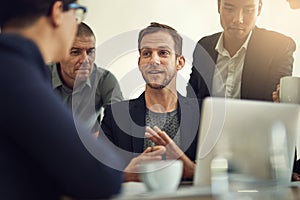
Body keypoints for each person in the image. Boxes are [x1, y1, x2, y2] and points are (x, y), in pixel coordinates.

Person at [0, 0, 122, 199]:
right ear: (57, 12)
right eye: (77, 14)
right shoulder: (14, 73)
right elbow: (102, 176)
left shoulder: (14, 67)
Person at [100, 22, 201, 181]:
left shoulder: (203, 112)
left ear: (179, 62)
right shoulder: (116, 115)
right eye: (147, 53)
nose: (154, 60)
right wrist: (126, 175)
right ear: (140, 63)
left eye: (163, 53)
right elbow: (97, 175)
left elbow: (225, 174)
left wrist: (190, 169)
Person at [187, 0, 296, 102]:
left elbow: (281, 100)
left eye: (248, 10)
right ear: (219, 6)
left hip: (257, 122)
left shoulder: (278, 48)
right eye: (230, 9)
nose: (238, 19)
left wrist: (283, 98)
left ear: (259, 9)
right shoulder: (204, 46)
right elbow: (192, 101)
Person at [50, 22, 123, 134]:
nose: (85, 60)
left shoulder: (104, 80)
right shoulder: (39, 75)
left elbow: (119, 126)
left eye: (90, 52)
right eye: (75, 52)